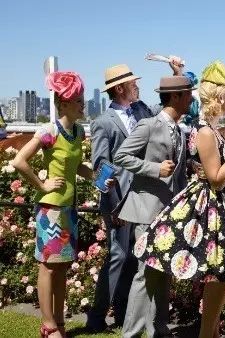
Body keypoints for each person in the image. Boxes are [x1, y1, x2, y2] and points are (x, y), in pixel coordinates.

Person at [132, 61, 225, 338]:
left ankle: (210, 334)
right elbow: (215, 178)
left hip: (220, 204)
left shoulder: (211, 130)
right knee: (220, 276)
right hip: (212, 207)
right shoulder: (204, 132)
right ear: (220, 97)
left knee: (224, 277)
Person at [12, 71, 113, 338]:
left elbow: (76, 166)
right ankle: (47, 326)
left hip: (68, 207)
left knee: (62, 266)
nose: (83, 105)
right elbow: (19, 161)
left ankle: (59, 321)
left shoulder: (78, 132)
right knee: (47, 266)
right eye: (78, 101)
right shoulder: (49, 131)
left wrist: (97, 178)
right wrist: (42, 185)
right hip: (51, 209)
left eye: (82, 100)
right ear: (64, 103)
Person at [87, 59, 184, 332]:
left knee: (135, 258)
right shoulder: (103, 123)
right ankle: (96, 317)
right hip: (119, 201)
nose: (138, 85)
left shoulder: (142, 111)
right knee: (118, 256)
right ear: (120, 89)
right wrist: (114, 205)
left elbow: (168, 109)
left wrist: (175, 73)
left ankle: (122, 314)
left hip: (143, 200)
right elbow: (101, 167)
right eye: (133, 83)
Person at [114, 75, 192, 338]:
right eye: (188, 95)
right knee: (145, 274)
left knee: (163, 271)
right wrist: (154, 169)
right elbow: (121, 156)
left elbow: (178, 173)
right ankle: (131, 334)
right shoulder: (148, 125)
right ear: (176, 97)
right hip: (147, 210)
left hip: (169, 213)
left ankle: (159, 330)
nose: (191, 100)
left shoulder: (181, 131)